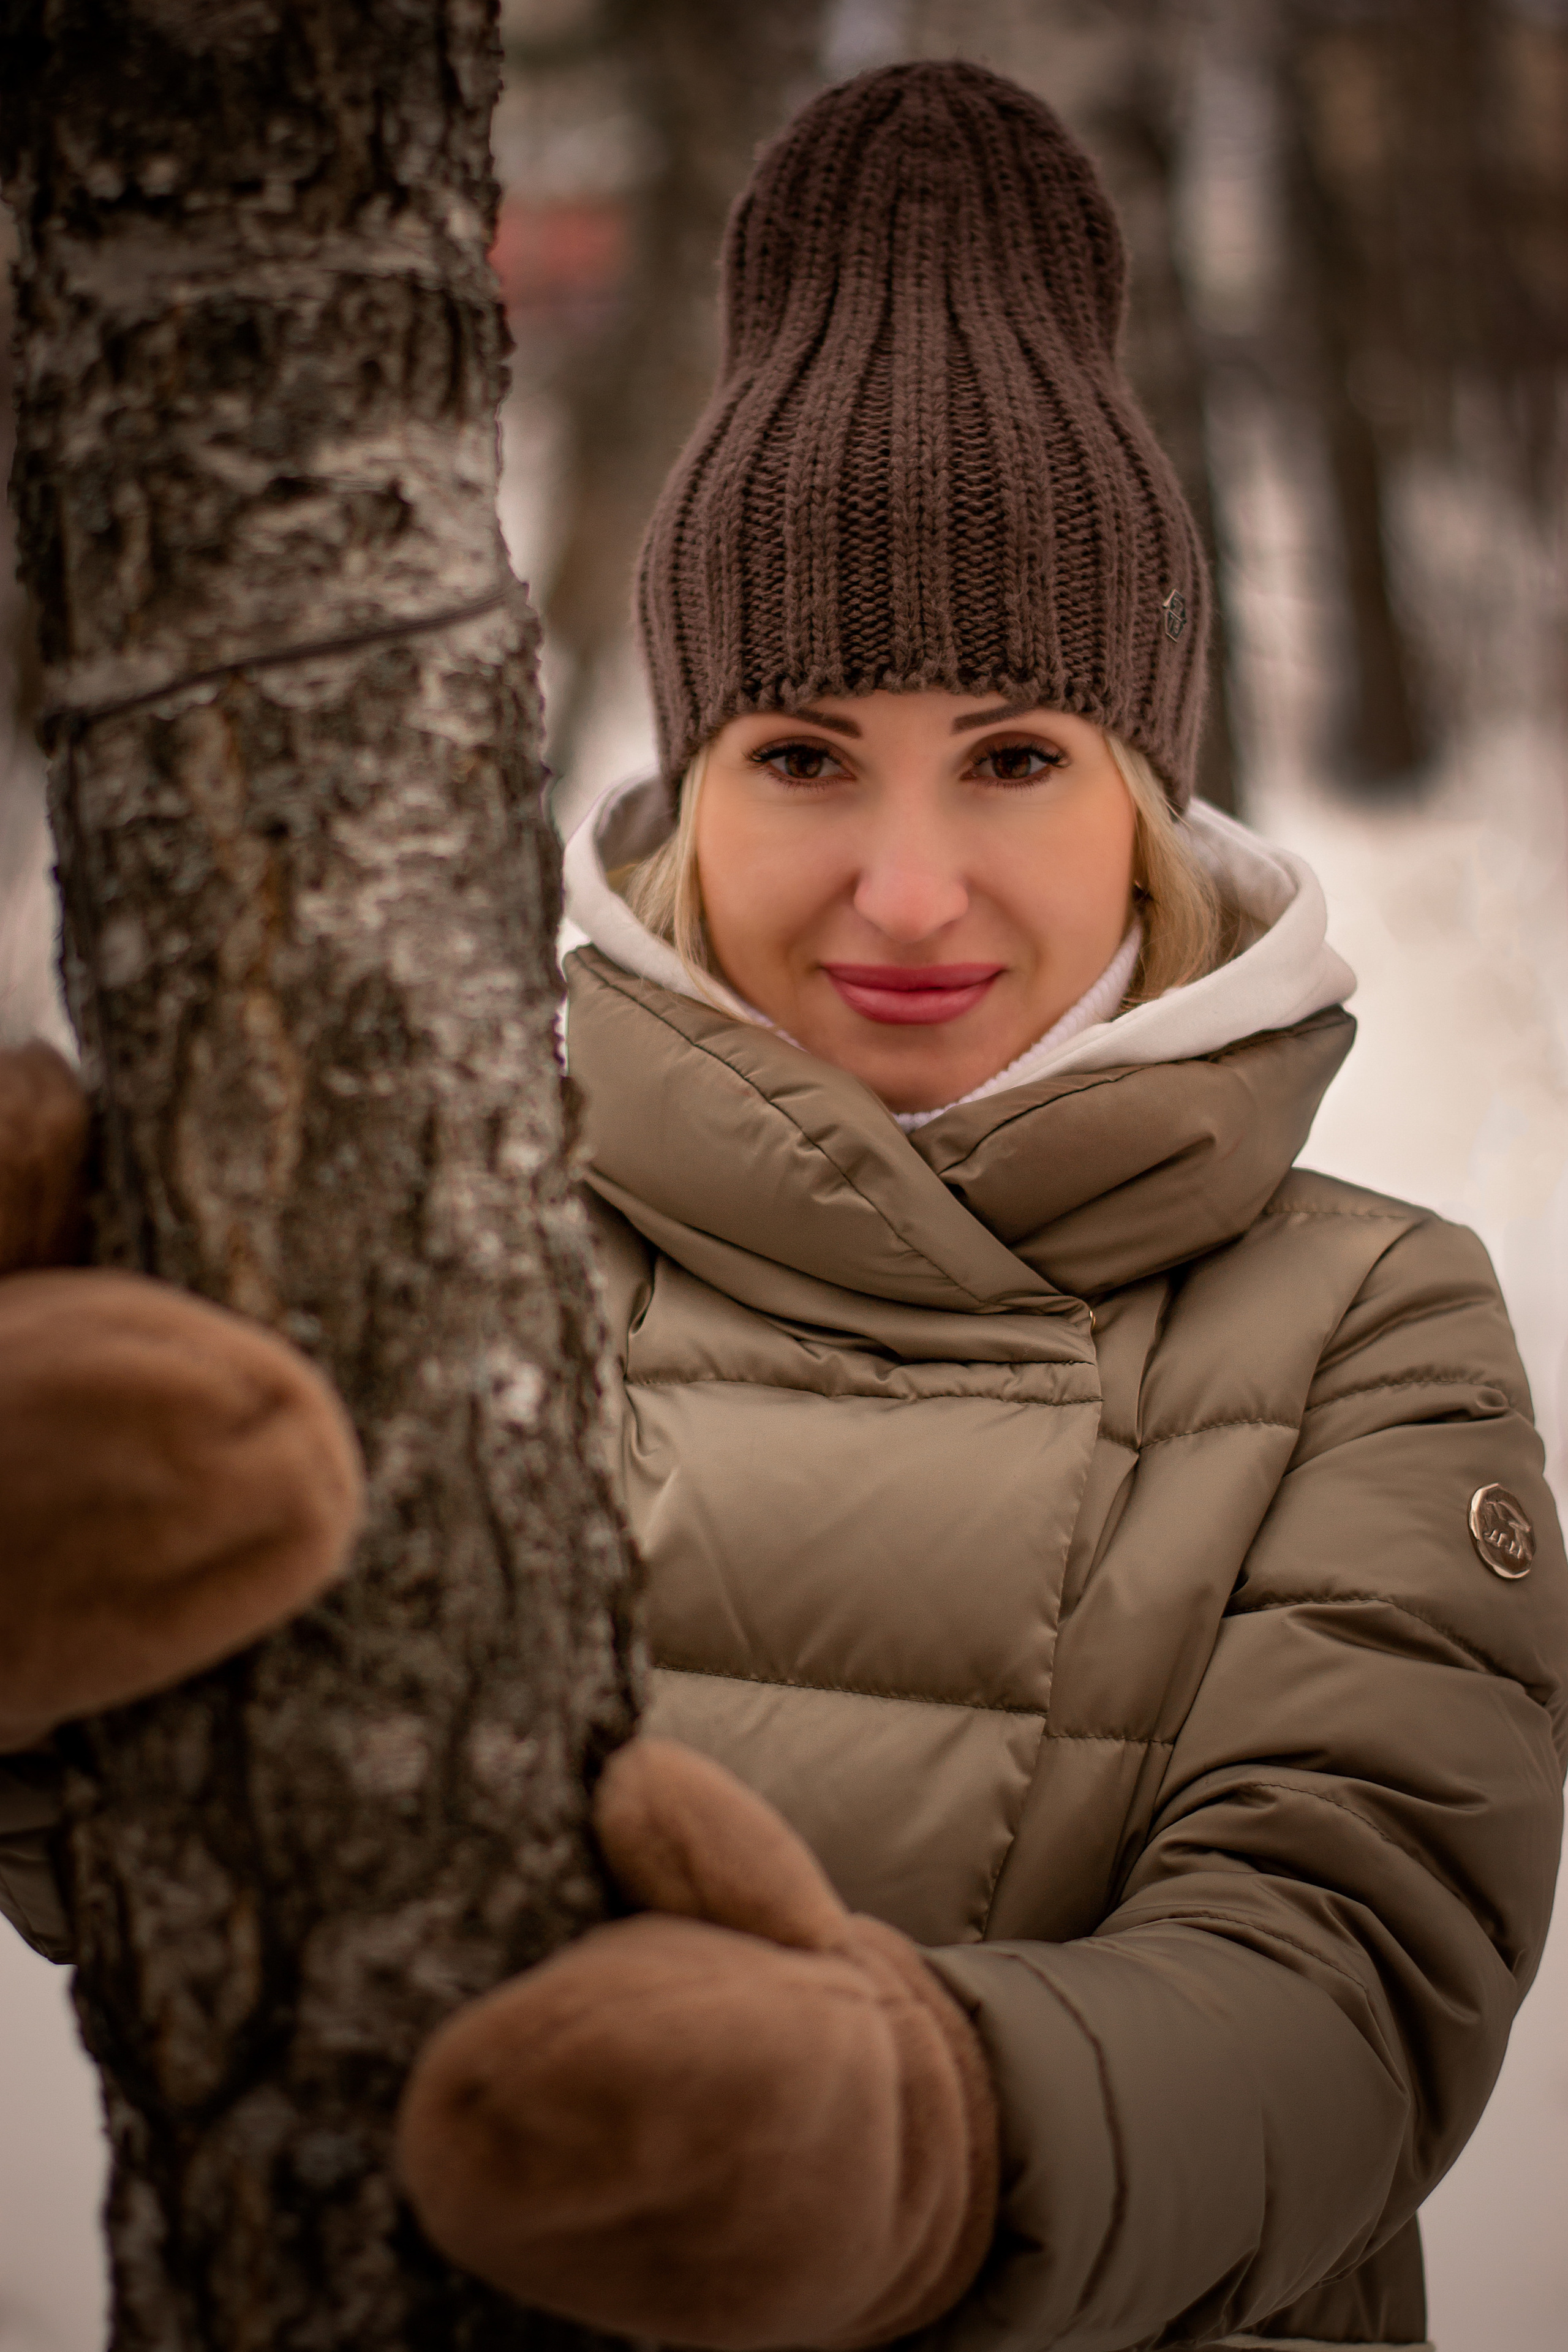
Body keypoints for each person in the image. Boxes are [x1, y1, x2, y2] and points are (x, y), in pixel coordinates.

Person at [2, 58, 1565, 2352]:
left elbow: (1345, 1988)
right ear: (689, 781)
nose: (906, 889)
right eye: (807, 755)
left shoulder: (1369, 1335)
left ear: (1146, 792)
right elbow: (220, 1896)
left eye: (1016, 757)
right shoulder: (452, 1239)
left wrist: (930, 2146)